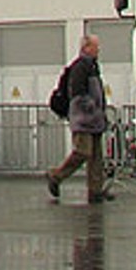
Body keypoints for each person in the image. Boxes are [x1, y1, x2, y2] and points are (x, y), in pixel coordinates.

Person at [46, 35, 112, 203]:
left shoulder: (92, 66)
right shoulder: (80, 67)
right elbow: (77, 93)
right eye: (96, 46)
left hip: (95, 119)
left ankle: (95, 191)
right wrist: (91, 108)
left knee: (96, 157)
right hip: (83, 119)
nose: (99, 49)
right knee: (83, 151)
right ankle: (56, 176)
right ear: (86, 47)